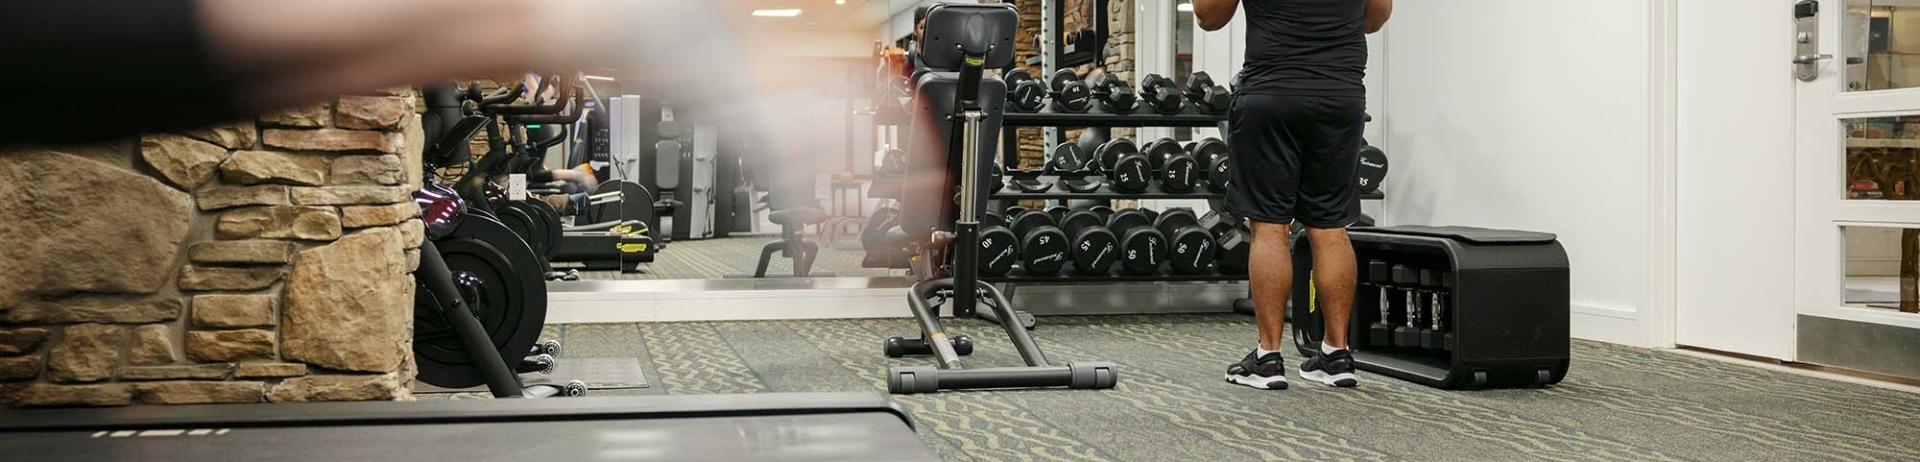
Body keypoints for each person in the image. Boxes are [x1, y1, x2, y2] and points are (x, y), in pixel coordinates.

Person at [1193, 0, 1392, 389]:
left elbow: (1208, 16)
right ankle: (1336, 354)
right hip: (1340, 98)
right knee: (1330, 226)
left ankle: (1268, 357)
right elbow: (1376, 17)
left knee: (1270, 226)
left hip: (1273, 95)